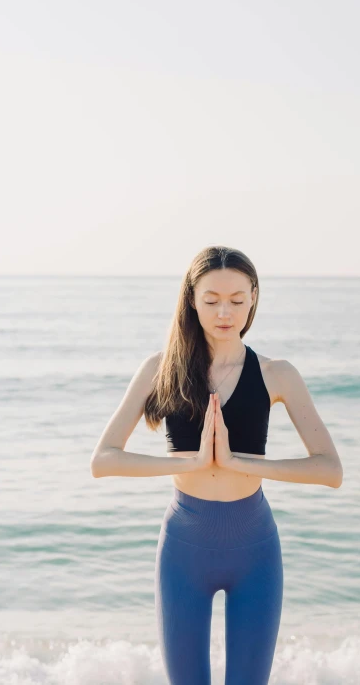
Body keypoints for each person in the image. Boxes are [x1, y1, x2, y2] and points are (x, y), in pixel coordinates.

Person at [90, 245, 343, 684]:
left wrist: (237, 461)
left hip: (256, 551)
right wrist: (186, 462)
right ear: (191, 300)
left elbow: (329, 470)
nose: (224, 312)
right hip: (183, 551)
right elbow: (103, 460)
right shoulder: (159, 369)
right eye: (211, 301)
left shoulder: (277, 373)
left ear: (253, 299)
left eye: (237, 300)